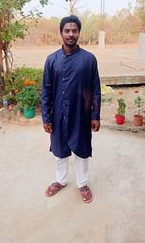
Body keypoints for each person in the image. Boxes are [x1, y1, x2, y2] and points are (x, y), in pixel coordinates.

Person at [41, 15, 101, 203]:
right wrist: (46, 118)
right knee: (59, 150)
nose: (71, 34)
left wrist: (95, 115)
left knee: (82, 150)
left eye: (74, 30)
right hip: (58, 114)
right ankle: (60, 180)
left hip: (81, 115)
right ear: (61, 33)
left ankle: (82, 184)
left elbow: (95, 89)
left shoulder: (89, 59)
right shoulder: (51, 60)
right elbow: (46, 91)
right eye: (67, 30)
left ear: (79, 33)